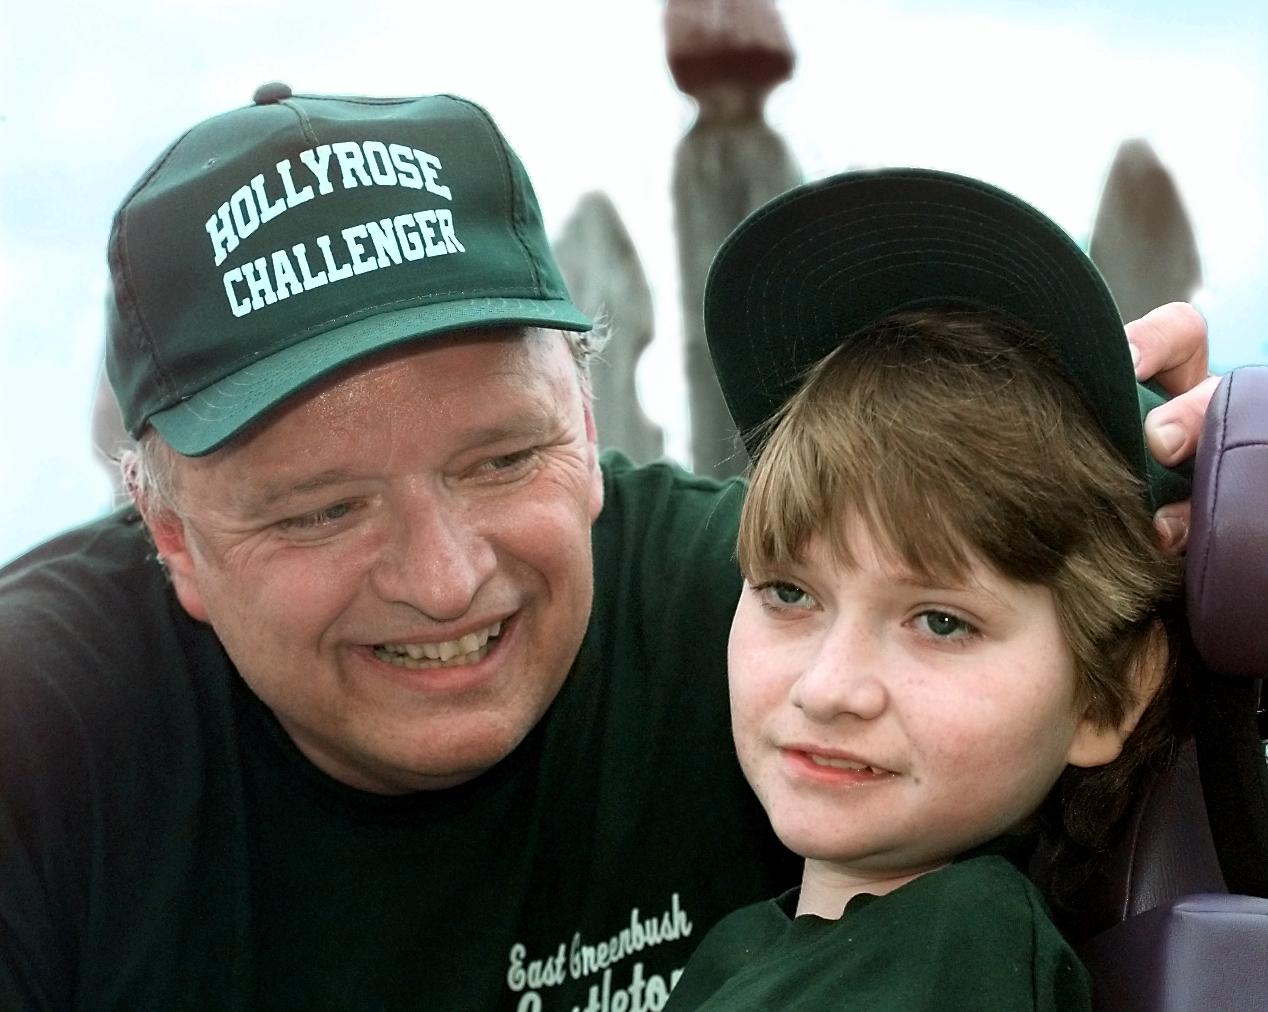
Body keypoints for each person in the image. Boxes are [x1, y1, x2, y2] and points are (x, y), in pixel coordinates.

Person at [0, 88, 1214, 1011]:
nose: (445, 576)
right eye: (324, 509)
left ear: (583, 426)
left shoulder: (760, 616)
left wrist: (1212, 548)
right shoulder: (43, 744)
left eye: (498, 459)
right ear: (171, 537)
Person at [663, 168, 1190, 1010]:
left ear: (1110, 694)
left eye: (941, 621)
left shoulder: (963, 944)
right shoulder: (738, 951)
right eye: (789, 594)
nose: (829, 687)